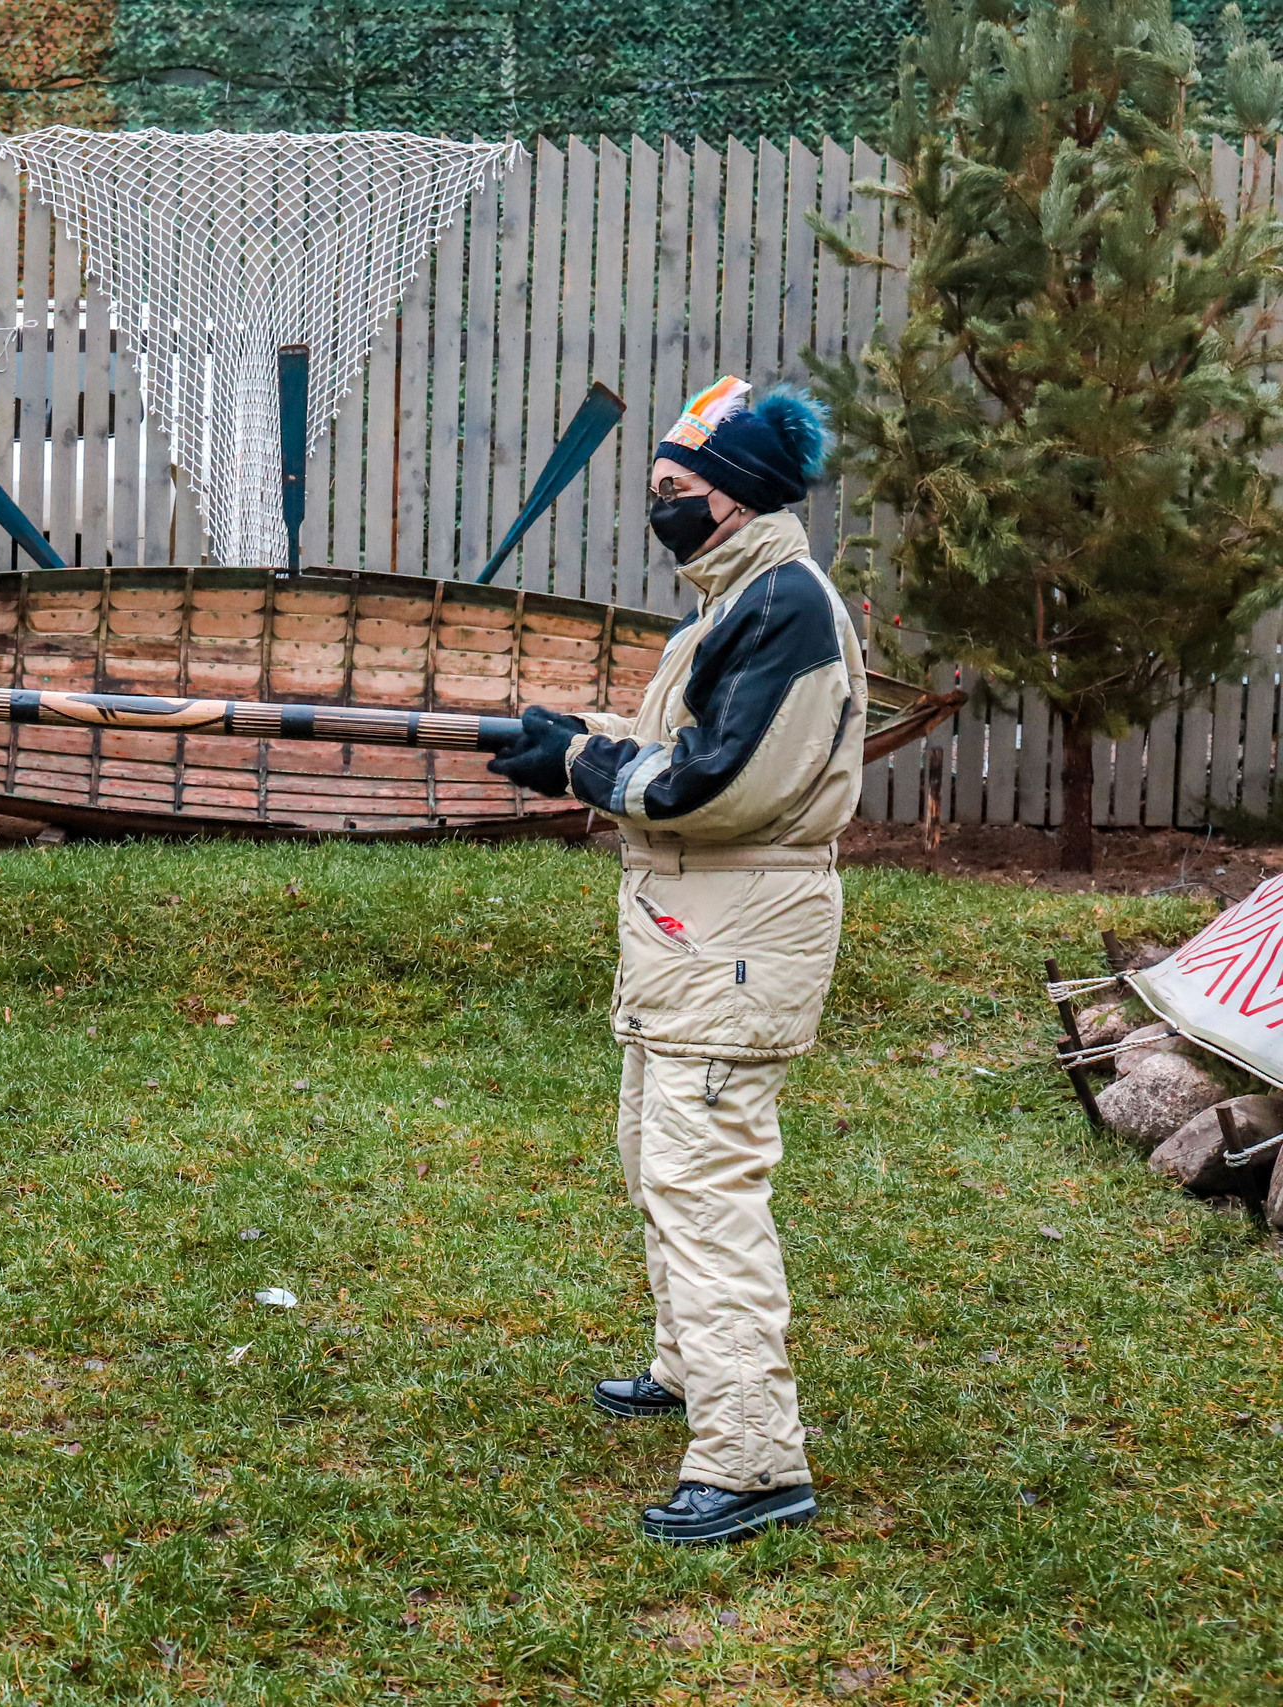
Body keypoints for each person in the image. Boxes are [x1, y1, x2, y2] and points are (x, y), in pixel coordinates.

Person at [486, 375, 857, 1544]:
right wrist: (580, 742)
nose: (660, 512)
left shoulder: (783, 605)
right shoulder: (732, 598)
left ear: (736, 498)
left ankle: (753, 1462)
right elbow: (678, 743)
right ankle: (692, 1370)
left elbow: (720, 786)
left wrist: (580, 774)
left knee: (705, 1189)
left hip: (736, 932)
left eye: (674, 493)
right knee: (658, 1158)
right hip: (693, 934)